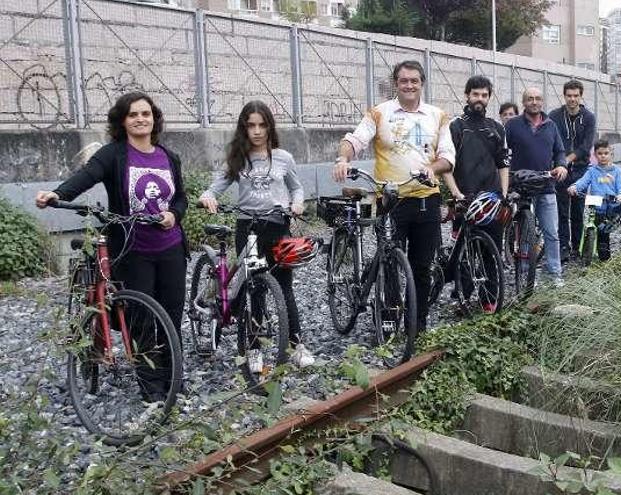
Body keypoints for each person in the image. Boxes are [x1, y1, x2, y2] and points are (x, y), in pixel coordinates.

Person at [35, 92, 188, 402]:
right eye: (133, 115)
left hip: (171, 248)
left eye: (146, 113)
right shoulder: (113, 155)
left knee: (171, 315)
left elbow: (180, 198)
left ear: (154, 118)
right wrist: (57, 194)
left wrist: (174, 214)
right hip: (134, 252)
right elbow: (86, 176)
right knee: (141, 318)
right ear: (123, 120)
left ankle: (174, 378)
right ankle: (151, 385)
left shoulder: (169, 157)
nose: (140, 119)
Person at [332, 60, 455, 333]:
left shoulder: (438, 115)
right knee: (388, 262)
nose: (409, 85)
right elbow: (355, 139)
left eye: (414, 80)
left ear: (422, 83)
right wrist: (343, 158)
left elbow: (447, 156)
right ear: (396, 83)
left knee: (422, 268)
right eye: (403, 81)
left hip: (426, 199)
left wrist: (431, 168)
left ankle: (417, 324)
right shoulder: (379, 113)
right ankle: (387, 321)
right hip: (391, 201)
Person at [199, 100, 314, 368]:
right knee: (255, 289)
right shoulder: (238, 157)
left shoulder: (283, 157)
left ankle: (297, 345)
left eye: (262, 125)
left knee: (284, 288)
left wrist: (297, 203)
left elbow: (296, 188)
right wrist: (207, 196)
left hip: (277, 227)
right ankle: (255, 350)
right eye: (251, 125)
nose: (257, 131)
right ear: (244, 128)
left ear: (270, 127)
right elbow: (218, 185)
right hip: (247, 228)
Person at [441, 75, 510, 313]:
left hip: (491, 199)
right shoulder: (455, 126)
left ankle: (489, 299)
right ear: (467, 95)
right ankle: (462, 295)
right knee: (463, 252)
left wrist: (503, 193)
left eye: (484, 95)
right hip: (465, 198)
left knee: (492, 252)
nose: (479, 99)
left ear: (489, 97)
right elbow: (446, 165)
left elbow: (503, 164)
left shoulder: (497, 128)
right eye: (475, 94)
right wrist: (456, 194)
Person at [504, 87, 567, 287]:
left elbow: (560, 151)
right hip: (521, 188)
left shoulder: (551, 126)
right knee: (524, 234)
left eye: (538, 98)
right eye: (530, 99)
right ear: (523, 102)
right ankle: (524, 273)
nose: (534, 102)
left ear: (542, 102)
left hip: (546, 185)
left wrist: (561, 165)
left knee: (551, 233)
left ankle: (554, 273)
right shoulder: (512, 125)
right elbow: (502, 152)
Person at [567, 139, 621, 260]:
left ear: (611, 154)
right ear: (595, 155)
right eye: (600, 154)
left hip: (614, 206)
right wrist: (574, 186)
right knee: (602, 237)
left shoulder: (616, 170)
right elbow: (582, 182)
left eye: (606, 153)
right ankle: (604, 262)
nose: (603, 156)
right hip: (598, 208)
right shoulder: (592, 171)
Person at [549, 80, 596, 263]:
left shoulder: (589, 117)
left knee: (577, 209)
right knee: (561, 210)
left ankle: (577, 246)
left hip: (580, 169)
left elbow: (586, 146)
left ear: (581, 96)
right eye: (569, 95)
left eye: (576, 95)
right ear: (564, 96)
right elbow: (550, 139)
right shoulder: (554, 116)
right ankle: (563, 247)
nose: (572, 99)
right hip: (560, 171)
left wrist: (566, 159)